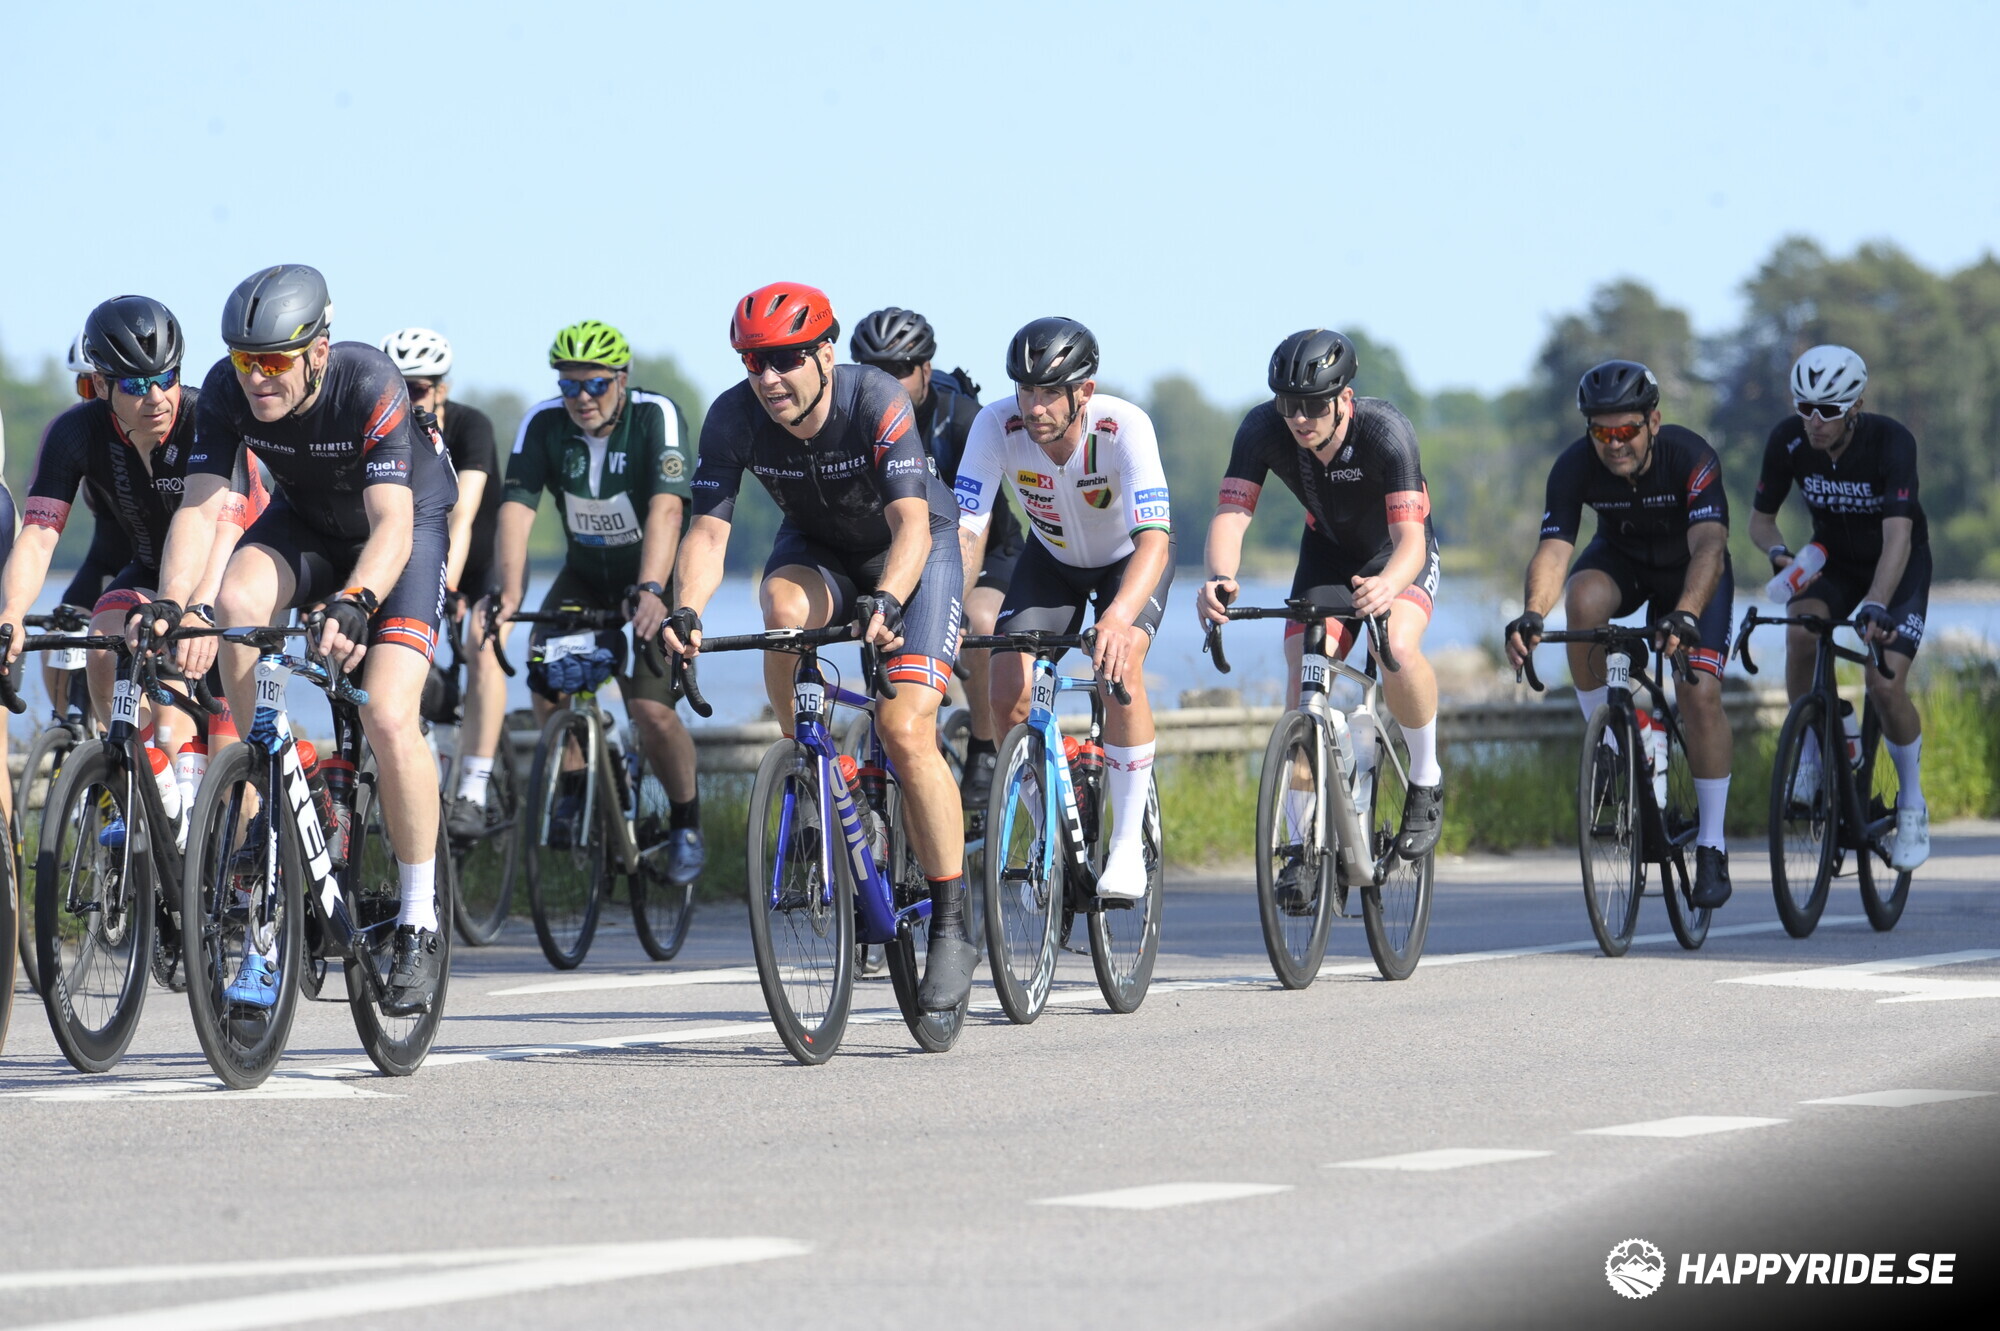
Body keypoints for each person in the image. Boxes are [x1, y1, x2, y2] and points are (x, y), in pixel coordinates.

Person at [149, 263, 457, 1015]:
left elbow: (391, 524)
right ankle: (269, 760)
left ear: (317, 350)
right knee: (234, 601)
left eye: (274, 361)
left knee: (389, 713)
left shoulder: (368, 382)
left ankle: (418, 919)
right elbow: (200, 508)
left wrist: (356, 601)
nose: (256, 378)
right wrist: (175, 605)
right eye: (244, 360)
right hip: (310, 524)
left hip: (402, 531)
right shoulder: (227, 392)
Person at [664, 281, 973, 1008]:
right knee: (780, 610)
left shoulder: (875, 400)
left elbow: (910, 524)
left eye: (784, 360)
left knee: (904, 729)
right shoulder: (733, 416)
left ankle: (951, 921)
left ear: (826, 355)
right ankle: (810, 773)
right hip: (819, 549)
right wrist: (687, 609)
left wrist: (889, 599)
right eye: (753, 362)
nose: (767, 378)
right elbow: (707, 532)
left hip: (915, 551)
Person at [1196, 329, 1447, 864]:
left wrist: (1389, 584)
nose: (1298, 417)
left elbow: (1410, 541)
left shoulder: (1385, 431)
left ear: (1344, 398)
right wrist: (1219, 577)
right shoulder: (1262, 429)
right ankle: (1300, 847)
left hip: (1397, 553)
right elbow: (1232, 516)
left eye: (1312, 405)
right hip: (1328, 555)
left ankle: (1426, 779)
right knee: (1304, 678)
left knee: (1396, 647)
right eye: (1288, 404)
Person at [471, 320, 704, 882]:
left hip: (655, 576)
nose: (581, 398)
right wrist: (510, 591)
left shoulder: (655, 415)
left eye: (595, 384)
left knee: (651, 712)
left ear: (621, 380)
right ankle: (576, 783)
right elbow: (515, 511)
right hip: (585, 575)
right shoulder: (543, 422)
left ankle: (686, 823)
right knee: (546, 677)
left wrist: (652, 591)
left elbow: (668, 509)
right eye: (569, 385)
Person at [1503, 359, 1736, 908]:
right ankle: (1610, 742)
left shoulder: (1691, 457)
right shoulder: (1574, 465)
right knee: (1582, 598)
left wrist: (1686, 612)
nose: (1614, 444)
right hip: (1623, 563)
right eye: (1602, 433)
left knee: (1700, 694)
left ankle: (1712, 844)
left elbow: (1709, 545)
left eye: (1626, 430)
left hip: (1692, 573)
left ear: (1653, 421)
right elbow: (1554, 550)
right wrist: (1533, 613)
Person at [956, 317, 1171, 898]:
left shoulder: (1124, 427)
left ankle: (1125, 845)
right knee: (1006, 690)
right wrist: (947, 608)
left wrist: (1118, 618)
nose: (1035, 405)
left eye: (1050, 392)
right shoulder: (995, 425)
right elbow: (967, 531)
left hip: (1129, 560)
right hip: (1050, 560)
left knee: (1118, 668)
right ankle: (1049, 830)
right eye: (1026, 389)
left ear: (1084, 391)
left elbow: (1155, 541)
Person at [0, 295, 258, 762]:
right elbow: (38, 536)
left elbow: (224, 528)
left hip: (236, 570)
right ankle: (143, 777)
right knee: (103, 643)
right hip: (155, 567)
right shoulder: (74, 433)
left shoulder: (207, 418)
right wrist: (12, 614)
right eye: (137, 384)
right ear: (100, 384)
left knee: (230, 765)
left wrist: (199, 608)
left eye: (166, 378)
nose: (156, 397)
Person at [1749, 345, 1931, 870]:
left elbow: (1898, 538)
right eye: (1804, 407)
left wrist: (1876, 602)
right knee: (1800, 632)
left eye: (1828, 410)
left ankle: (1913, 802)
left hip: (1897, 565)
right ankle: (1814, 751)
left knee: (1884, 684)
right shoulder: (1788, 440)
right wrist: (1780, 554)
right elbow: (1761, 522)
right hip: (1833, 560)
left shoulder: (1892, 442)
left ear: (1856, 407)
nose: (1814, 421)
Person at [850, 307, 1021, 807]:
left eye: (901, 369)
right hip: (902, 549)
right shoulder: (857, 417)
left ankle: (984, 749)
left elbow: (973, 521)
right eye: (874, 369)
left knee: (979, 621)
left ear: (926, 369)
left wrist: (953, 604)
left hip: (983, 546)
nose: (888, 381)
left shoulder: (961, 419)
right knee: (878, 626)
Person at [377, 328, 509, 824]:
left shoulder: (472, 426)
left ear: (442, 389)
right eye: (398, 388)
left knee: (482, 646)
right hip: (419, 559)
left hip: (477, 562)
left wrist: (446, 587)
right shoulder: (380, 428)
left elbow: (463, 515)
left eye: (418, 389)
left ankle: (474, 787)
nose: (408, 399)